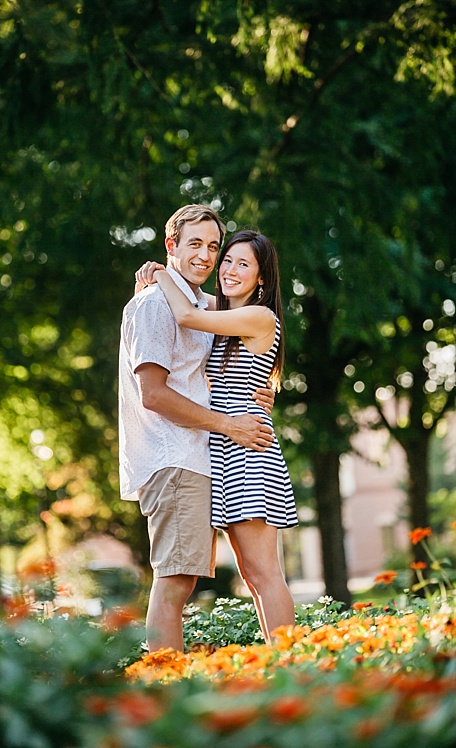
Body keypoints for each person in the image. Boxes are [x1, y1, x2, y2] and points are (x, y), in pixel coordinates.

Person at [118, 204, 275, 654]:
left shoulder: (191, 301)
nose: (207, 256)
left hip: (197, 457)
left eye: (214, 247)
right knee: (174, 583)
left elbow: (242, 341)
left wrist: (264, 393)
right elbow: (154, 394)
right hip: (173, 457)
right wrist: (230, 424)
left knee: (181, 581)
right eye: (195, 245)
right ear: (171, 246)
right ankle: (166, 693)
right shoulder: (155, 306)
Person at [146, 229, 298, 641]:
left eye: (243, 264)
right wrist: (160, 274)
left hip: (247, 450)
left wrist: (161, 274)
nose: (228, 269)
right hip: (223, 450)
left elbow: (187, 315)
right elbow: (194, 302)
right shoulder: (226, 313)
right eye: (226, 259)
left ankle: (297, 667)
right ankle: (284, 667)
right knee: (251, 576)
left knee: (264, 573)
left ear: (261, 278)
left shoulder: (259, 316)